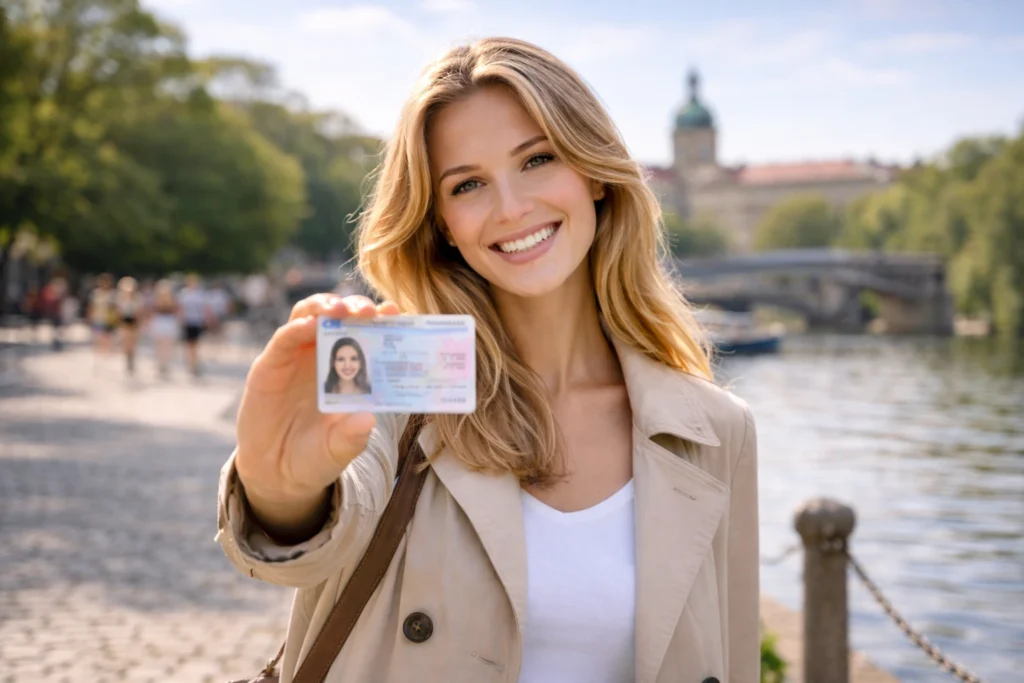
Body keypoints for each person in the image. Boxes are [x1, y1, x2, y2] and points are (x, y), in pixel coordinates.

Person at [217, 37, 759, 683]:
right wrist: (281, 489)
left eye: (537, 159)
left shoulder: (714, 428)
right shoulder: (401, 367)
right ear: (441, 219)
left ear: (594, 173)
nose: (510, 208)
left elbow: (731, 658)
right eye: (468, 183)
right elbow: (320, 531)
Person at [177, 274, 209, 378]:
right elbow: (180, 308)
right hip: (188, 321)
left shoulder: (200, 294)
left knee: (195, 343)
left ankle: (194, 363)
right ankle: (190, 363)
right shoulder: (184, 293)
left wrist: (206, 320)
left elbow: (204, 308)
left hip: (197, 321)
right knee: (188, 344)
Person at [148, 279, 179, 379]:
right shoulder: (155, 300)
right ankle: (160, 363)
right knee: (159, 344)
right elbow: (152, 312)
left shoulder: (173, 300)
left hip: (168, 322)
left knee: (167, 344)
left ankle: (165, 363)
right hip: (160, 322)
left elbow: (176, 311)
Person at [115, 276, 143, 376]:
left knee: (133, 343)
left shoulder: (137, 299)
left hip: (134, 324)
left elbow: (140, 313)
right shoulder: (120, 299)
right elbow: (118, 314)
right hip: (124, 324)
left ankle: (131, 359)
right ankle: (127, 360)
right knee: (126, 344)